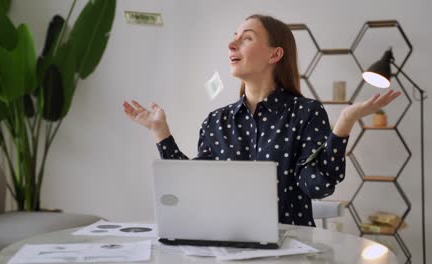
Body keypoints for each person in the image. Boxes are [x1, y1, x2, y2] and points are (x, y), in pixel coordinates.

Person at [123, 14, 401, 226]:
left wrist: (344, 123)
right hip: (225, 250)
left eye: (247, 38)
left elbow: (318, 186)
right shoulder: (215, 122)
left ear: (275, 54)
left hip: (289, 252)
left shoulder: (306, 113)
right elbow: (193, 187)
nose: (232, 43)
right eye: (234, 37)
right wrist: (161, 132)